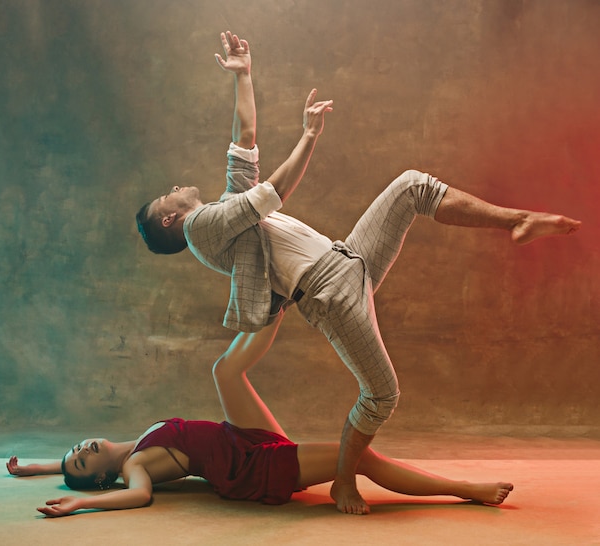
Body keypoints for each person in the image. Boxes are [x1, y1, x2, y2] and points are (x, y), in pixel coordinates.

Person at [135, 31, 581, 515]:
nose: (176, 187)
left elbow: (244, 140)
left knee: (412, 186)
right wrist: (308, 136)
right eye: (167, 194)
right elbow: (273, 194)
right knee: (381, 394)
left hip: (347, 257)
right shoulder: (202, 228)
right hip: (329, 292)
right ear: (169, 219)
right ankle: (343, 482)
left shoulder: (225, 209)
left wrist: (244, 74)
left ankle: (518, 221)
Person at [7, 310, 515, 517]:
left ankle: (278, 299)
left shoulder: (125, 446)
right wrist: (78, 505)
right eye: (80, 462)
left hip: (240, 438)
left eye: (74, 449)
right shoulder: (134, 469)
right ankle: (465, 490)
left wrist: (36, 467)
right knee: (358, 457)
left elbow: (68, 464)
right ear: (99, 480)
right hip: (250, 469)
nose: (79, 452)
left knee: (225, 371)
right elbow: (137, 497)